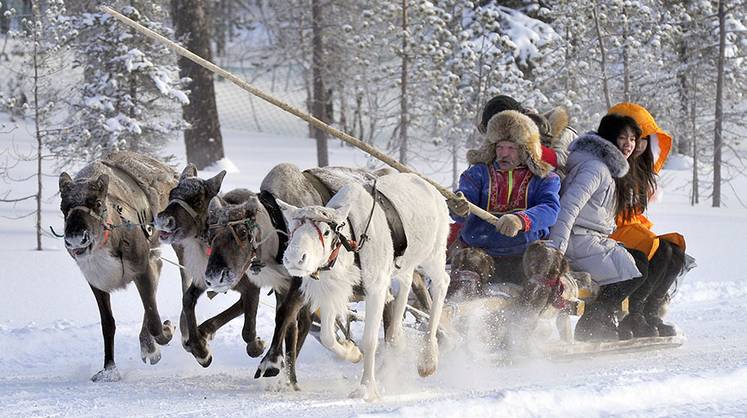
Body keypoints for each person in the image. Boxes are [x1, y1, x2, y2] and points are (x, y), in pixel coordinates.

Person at [547, 114, 650, 342]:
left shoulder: (607, 168)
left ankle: (604, 317)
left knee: (640, 263)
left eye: (632, 139)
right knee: (634, 271)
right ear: (608, 138)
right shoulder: (595, 169)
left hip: (590, 240)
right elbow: (568, 207)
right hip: (576, 241)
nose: (628, 144)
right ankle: (594, 320)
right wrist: (556, 251)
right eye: (622, 137)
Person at [446, 109, 561, 297]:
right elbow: (465, 197)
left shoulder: (545, 178)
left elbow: (550, 209)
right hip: (482, 253)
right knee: (468, 260)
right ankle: (459, 318)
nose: (503, 154)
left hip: (525, 256)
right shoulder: (477, 174)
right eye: (499, 147)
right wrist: (458, 206)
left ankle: (526, 322)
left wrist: (521, 220)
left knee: (547, 258)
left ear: (526, 150)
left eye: (511, 148)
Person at [606, 103, 690, 338]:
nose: (637, 145)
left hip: (632, 227)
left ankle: (650, 311)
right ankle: (634, 313)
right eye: (632, 138)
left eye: (643, 139)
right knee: (654, 247)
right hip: (612, 229)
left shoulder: (640, 170)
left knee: (674, 249)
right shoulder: (609, 167)